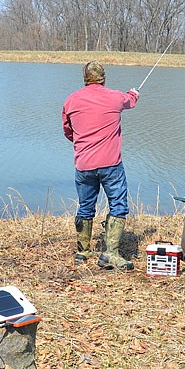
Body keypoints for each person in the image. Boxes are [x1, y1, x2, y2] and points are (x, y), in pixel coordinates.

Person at [62, 61, 139, 270]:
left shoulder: (71, 100)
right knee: (118, 205)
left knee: (85, 206)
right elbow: (130, 101)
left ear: (85, 79)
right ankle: (110, 253)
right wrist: (133, 93)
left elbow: (68, 132)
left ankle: (82, 251)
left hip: (84, 164)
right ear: (103, 78)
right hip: (110, 164)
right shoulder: (115, 96)